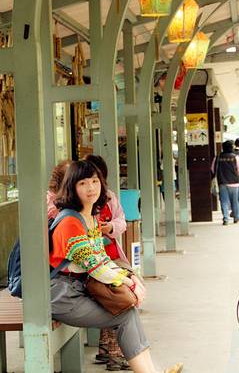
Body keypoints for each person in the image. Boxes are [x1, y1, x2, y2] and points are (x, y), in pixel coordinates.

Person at [50, 161, 184, 373]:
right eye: (82, 183)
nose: (91, 188)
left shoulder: (90, 218)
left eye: (95, 181)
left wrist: (128, 277)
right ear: (71, 188)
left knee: (128, 313)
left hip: (77, 290)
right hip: (62, 296)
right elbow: (94, 266)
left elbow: (102, 258)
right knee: (125, 315)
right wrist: (130, 283)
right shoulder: (70, 223)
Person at [84, 154, 130, 370]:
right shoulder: (77, 201)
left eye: (95, 179)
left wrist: (110, 227)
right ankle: (115, 354)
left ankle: (106, 348)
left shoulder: (110, 197)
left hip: (112, 256)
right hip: (90, 263)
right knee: (118, 297)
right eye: (86, 180)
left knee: (124, 290)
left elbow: (122, 221)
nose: (91, 185)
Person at [211, 140, 239, 225]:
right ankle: (236, 217)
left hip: (222, 182)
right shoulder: (235, 157)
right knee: (235, 201)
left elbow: (213, 169)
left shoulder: (218, 157)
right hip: (234, 183)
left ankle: (226, 219)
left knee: (224, 201)